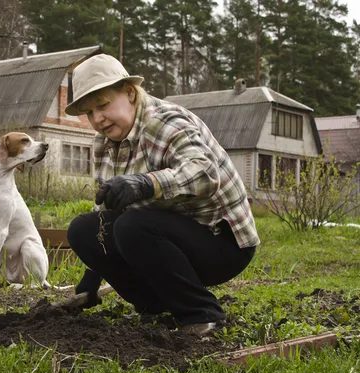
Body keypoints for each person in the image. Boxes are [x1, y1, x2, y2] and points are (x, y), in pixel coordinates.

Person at [65, 54, 260, 337]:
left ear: (130, 93)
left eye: (103, 105)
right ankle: (154, 305)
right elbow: (107, 210)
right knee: (84, 229)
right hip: (167, 238)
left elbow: (205, 175)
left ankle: (201, 313)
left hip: (222, 242)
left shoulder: (167, 123)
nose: (97, 119)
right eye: (89, 113)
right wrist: (94, 271)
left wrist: (146, 184)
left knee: (132, 225)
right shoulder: (105, 142)